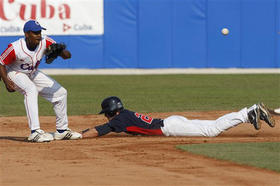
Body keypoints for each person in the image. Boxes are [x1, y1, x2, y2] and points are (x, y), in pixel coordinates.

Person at [0, 20, 81, 142]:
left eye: (40, 32)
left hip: (32, 73)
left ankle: (62, 131)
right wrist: (6, 81)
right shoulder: (15, 48)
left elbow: (67, 56)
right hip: (15, 73)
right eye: (35, 32)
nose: (39, 35)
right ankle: (35, 132)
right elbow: (1, 63)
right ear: (27, 34)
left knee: (61, 93)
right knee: (31, 90)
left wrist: (60, 51)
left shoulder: (45, 41)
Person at [81, 96, 275, 138]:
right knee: (211, 126)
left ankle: (248, 113)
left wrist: (78, 134)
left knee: (211, 130)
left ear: (111, 112)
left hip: (171, 127)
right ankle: (251, 113)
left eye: (106, 113)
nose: (105, 117)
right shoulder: (124, 114)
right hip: (172, 121)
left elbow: (99, 131)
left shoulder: (119, 120)